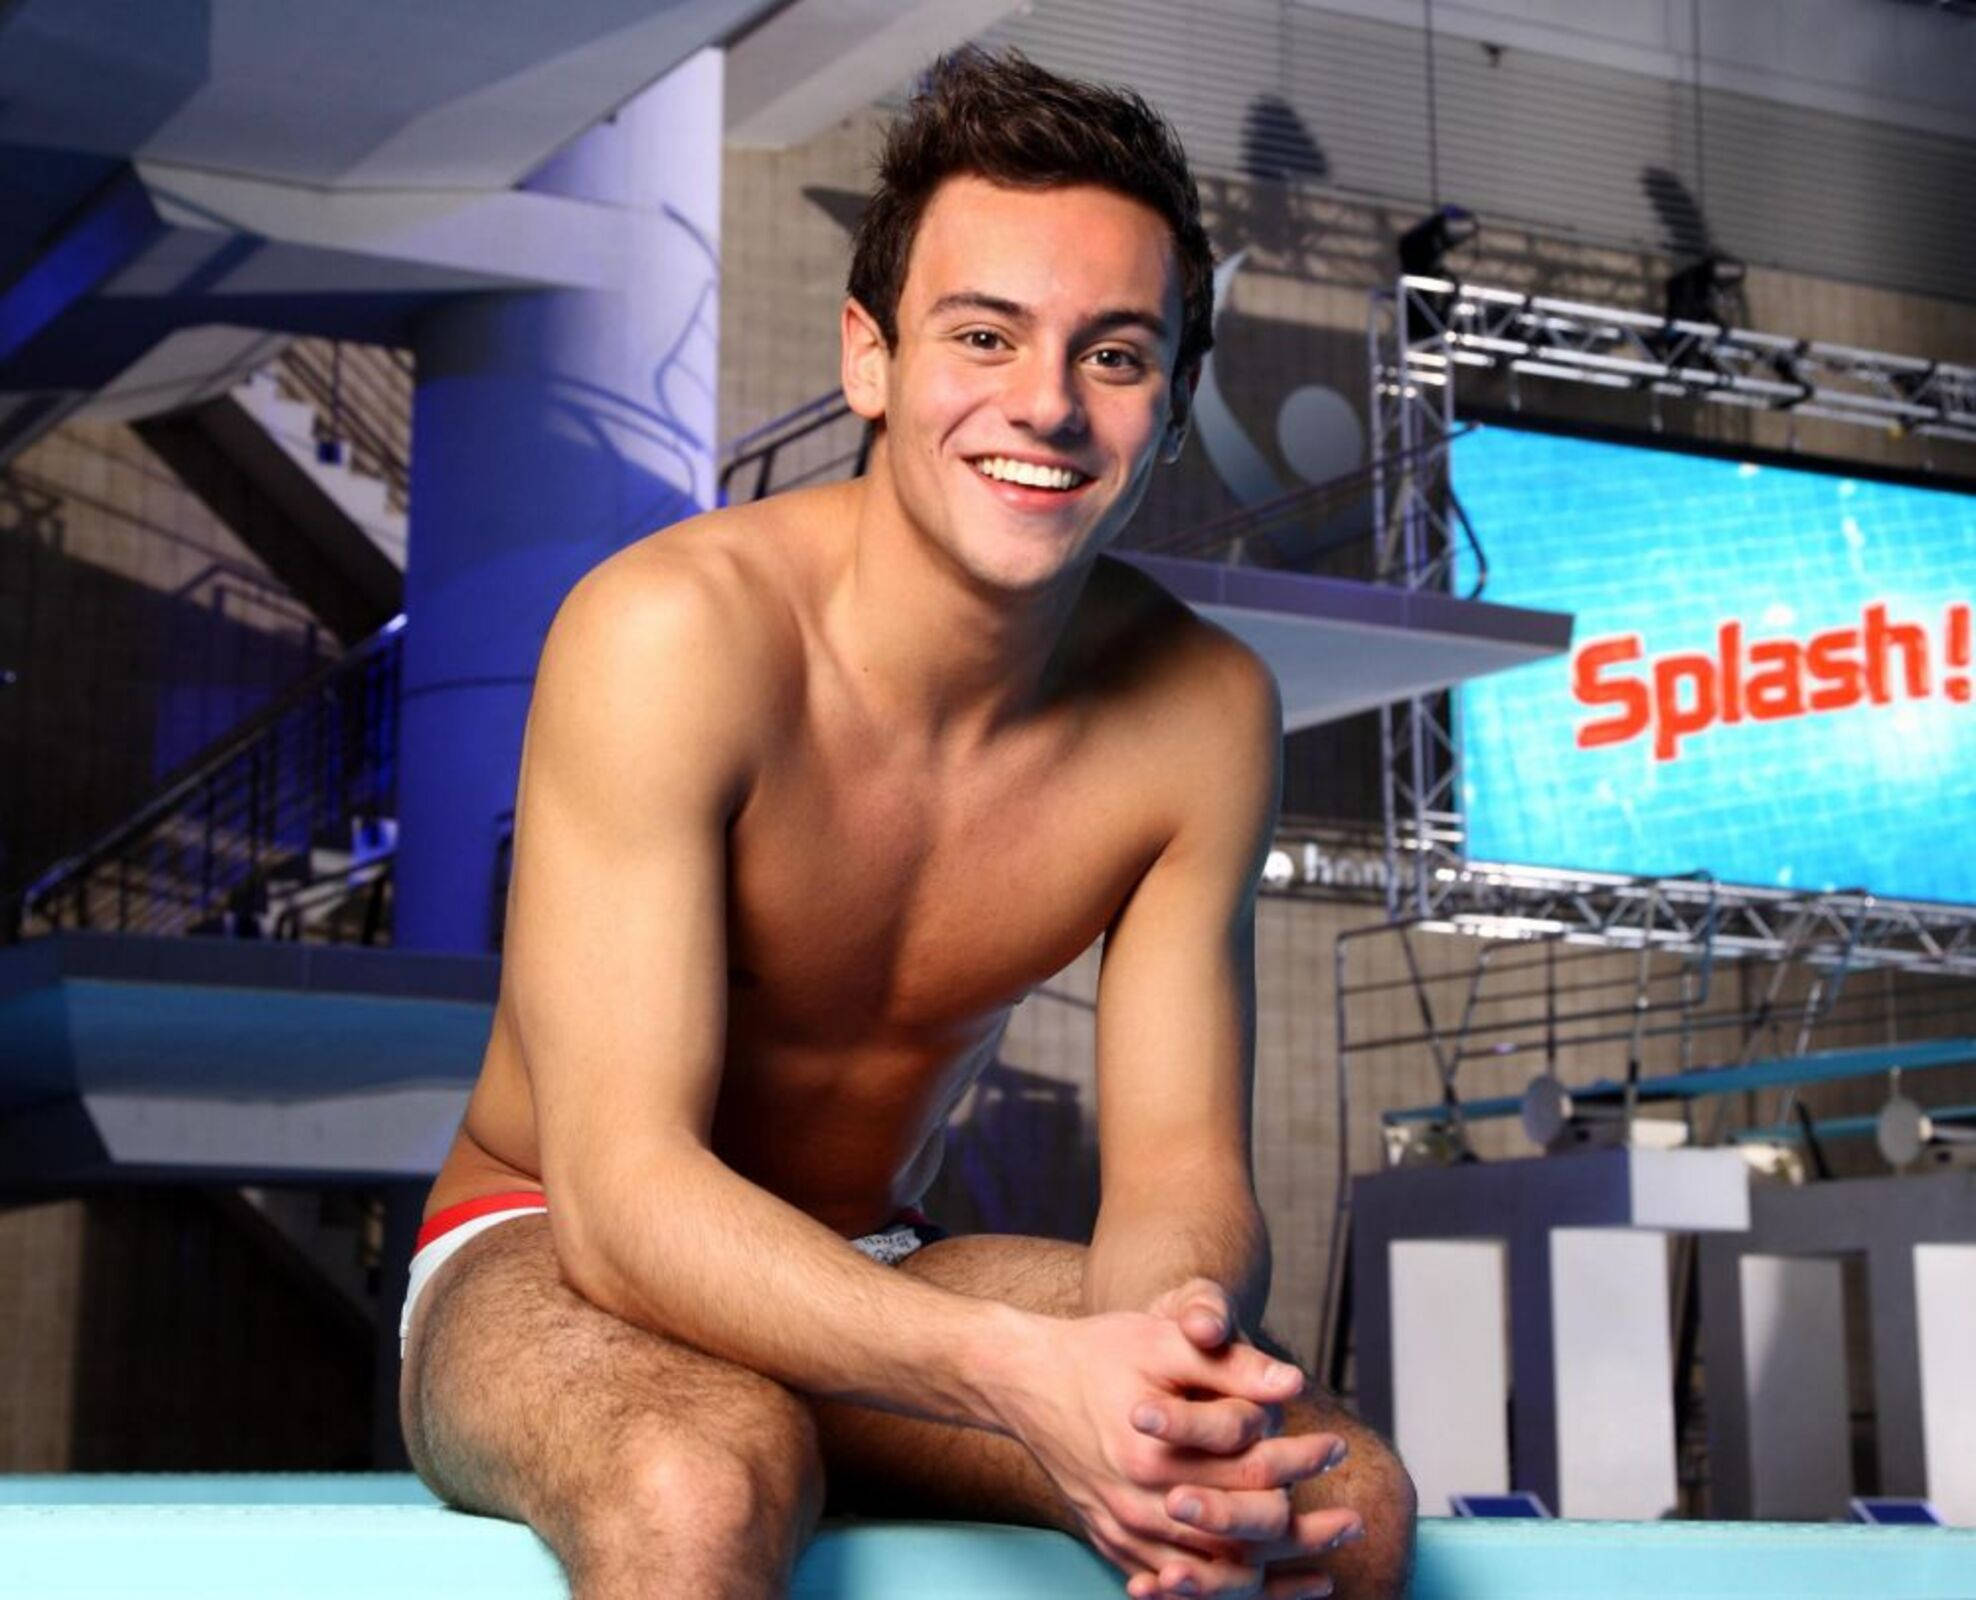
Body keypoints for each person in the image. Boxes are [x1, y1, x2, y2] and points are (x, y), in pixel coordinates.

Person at [399, 48, 1416, 1600]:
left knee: (1324, 1504)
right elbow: (624, 1198)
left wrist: (1165, 1361)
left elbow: (1178, 1177)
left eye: (1114, 354)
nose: (1045, 405)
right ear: (869, 357)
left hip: (879, 1259)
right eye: (984, 335)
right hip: (552, 1244)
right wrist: (1011, 1373)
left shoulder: (1201, 711)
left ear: (1174, 403)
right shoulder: (674, 634)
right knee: (697, 1480)